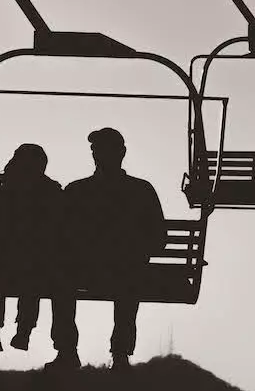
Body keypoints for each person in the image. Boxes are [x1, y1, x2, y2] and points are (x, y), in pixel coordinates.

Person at [45, 127, 166, 371]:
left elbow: (58, 235)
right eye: (95, 148)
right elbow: (158, 238)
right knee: (125, 278)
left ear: (120, 152)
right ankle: (117, 354)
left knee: (65, 277)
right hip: (108, 268)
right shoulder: (139, 190)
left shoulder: (78, 190)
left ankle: (70, 351)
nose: (96, 153)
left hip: (99, 268)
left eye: (99, 148)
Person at [0, 144, 66, 353]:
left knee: (19, 276)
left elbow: (58, 226)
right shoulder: (41, 190)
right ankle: (17, 332)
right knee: (25, 277)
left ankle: (2, 332)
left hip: (24, 256)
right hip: (16, 255)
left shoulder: (5, 188)